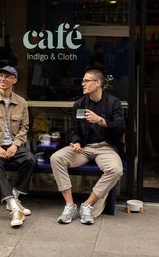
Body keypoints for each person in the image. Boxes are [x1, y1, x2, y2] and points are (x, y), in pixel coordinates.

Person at [50, 69, 125, 225]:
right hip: (83, 148)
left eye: (86, 81)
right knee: (56, 158)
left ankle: (87, 205)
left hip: (105, 147)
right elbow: (74, 129)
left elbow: (120, 128)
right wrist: (76, 141)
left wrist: (101, 121)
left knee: (116, 170)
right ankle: (70, 206)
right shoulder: (80, 103)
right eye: (83, 80)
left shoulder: (113, 103)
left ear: (97, 83)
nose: (82, 84)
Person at [0, 66, 36, 228]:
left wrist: (16, 145)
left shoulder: (21, 102)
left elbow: (25, 127)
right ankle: (15, 207)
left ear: (14, 80)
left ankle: (14, 196)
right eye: (1, 76)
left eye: (7, 77)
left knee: (30, 159)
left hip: (12, 145)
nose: (2, 79)